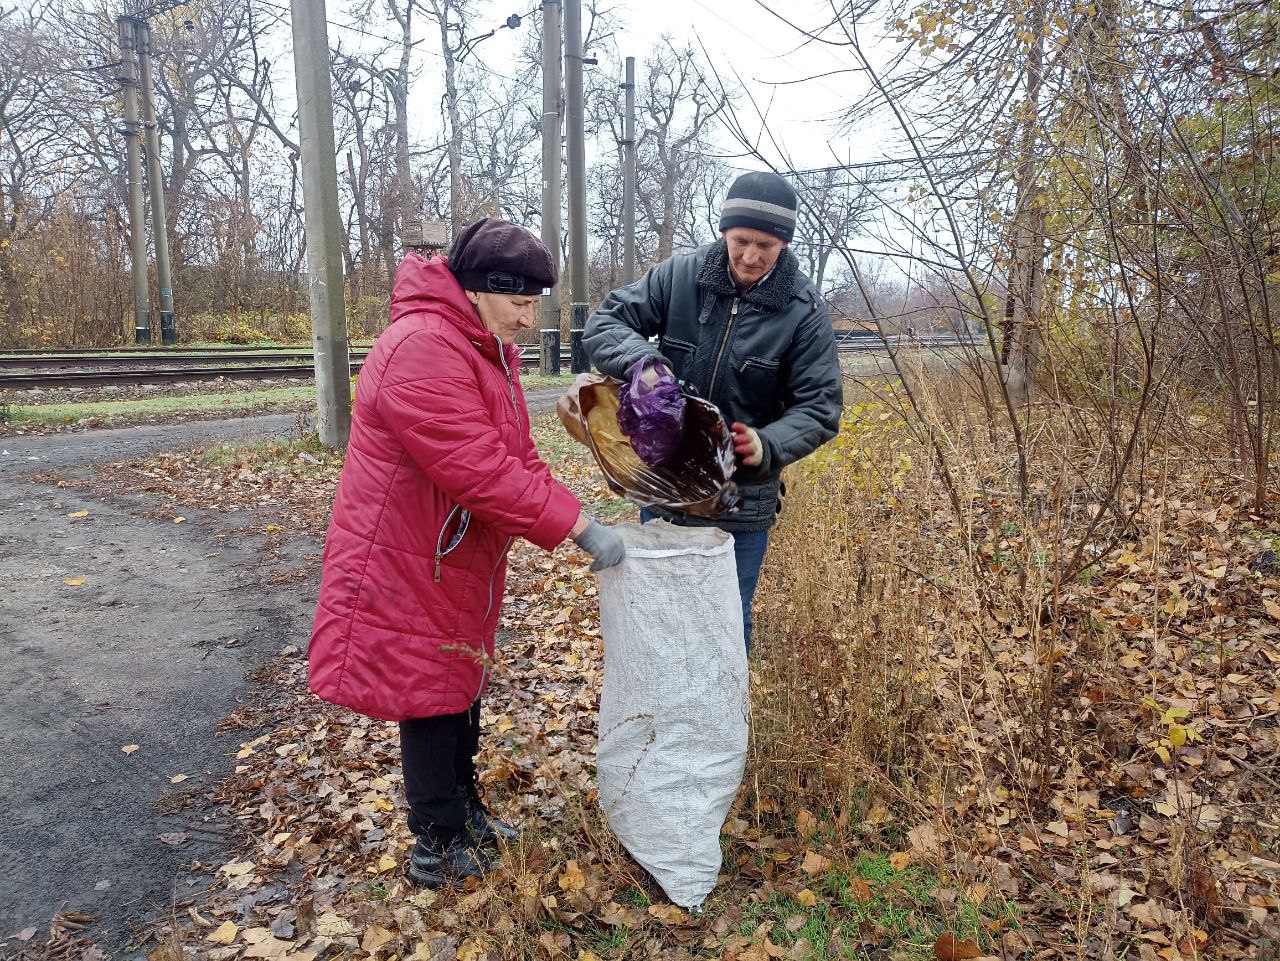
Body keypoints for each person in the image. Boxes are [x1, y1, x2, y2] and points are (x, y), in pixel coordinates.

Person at [308, 217, 625, 889]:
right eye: (519, 299)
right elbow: (478, 467)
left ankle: (464, 812)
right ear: (480, 289)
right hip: (406, 555)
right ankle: (436, 844)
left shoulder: (480, 346)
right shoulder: (424, 347)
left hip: (449, 552)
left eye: (536, 300)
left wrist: (564, 505)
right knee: (427, 693)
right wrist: (578, 527)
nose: (530, 315)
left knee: (458, 685)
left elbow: (517, 455)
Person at [583, 171, 843, 650]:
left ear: (784, 244)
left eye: (765, 245)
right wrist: (643, 363)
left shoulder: (803, 310)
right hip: (667, 485)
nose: (750, 256)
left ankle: (723, 723)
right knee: (661, 611)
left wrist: (770, 443)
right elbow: (606, 323)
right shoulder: (680, 275)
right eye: (741, 240)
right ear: (724, 231)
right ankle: (665, 716)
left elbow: (820, 407)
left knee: (726, 618)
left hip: (744, 498)